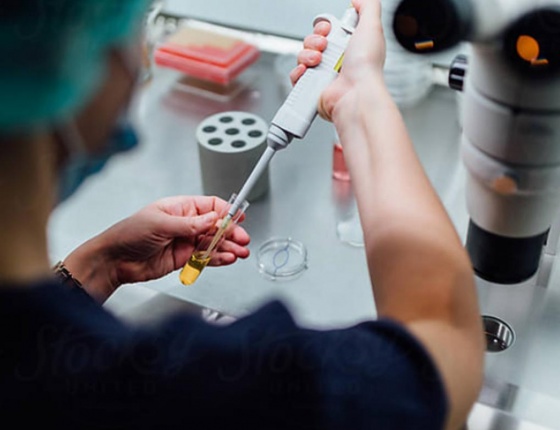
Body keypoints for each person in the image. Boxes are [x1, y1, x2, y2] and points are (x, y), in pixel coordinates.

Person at [0, 0, 484, 428]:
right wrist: (360, 98)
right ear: (71, 61)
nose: (142, 55)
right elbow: (444, 345)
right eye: (137, 21)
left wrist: (95, 266)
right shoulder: (192, 391)